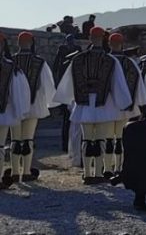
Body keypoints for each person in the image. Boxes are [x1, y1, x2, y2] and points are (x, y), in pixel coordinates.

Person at [53, 26, 132, 184]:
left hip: (84, 105)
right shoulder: (112, 61)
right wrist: (125, 104)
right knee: (101, 141)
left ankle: (88, 174)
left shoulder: (78, 60)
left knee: (87, 141)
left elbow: (69, 84)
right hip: (105, 105)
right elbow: (118, 86)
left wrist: (68, 102)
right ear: (104, 38)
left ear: (90, 37)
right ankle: (98, 173)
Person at [10, 32, 56, 183]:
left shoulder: (10, 62)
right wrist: (51, 102)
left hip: (14, 105)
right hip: (33, 104)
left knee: (15, 140)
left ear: (18, 43)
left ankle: (15, 172)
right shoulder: (39, 62)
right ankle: (27, 171)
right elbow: (47, 85)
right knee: (28, 139)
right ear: (32, 42)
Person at [106, 32, 146, 177]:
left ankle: (107, 169)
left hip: (107, 103)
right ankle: (120, 166)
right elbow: (136, 84)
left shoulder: (105, 60)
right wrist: (136, 103)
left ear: (109, 44)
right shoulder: (130, 62)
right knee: (121, 138)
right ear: (122, 44)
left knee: (108, 138)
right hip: (124, 105)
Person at [0, 32, 32, 190]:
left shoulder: (12, 66)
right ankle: (22, 172)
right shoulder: (11, 67)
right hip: (4, 112)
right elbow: (18, 93)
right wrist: (20, 112)